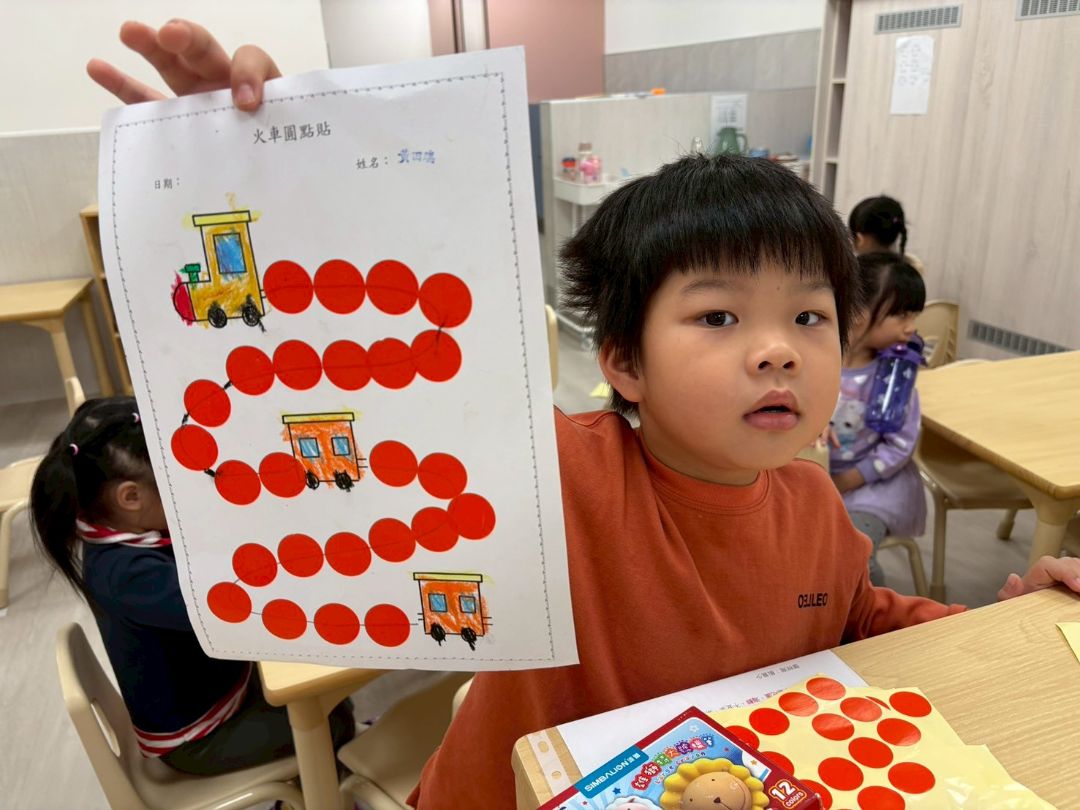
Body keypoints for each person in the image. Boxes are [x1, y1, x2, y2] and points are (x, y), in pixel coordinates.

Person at [87, 22, 1080, 807]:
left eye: (809, 317)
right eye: (719, 316)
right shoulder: (549, 474)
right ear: (622, 363)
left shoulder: (814, 505)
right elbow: (356, 414)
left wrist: (1007, 624)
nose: (777, 349)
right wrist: (246, 181)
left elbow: (860, 620)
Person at [30, 396, 355, 775]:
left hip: (226, 685)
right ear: (131, 496)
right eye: (175, 484)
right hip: (200, 739)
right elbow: (231, 610)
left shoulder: (121, 526)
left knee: (320, 691)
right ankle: (326, 790)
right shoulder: (128, 575)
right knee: (332, 718)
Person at [828, 253, 927, 586]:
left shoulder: (893, 376)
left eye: (914, 316)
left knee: (854, 553)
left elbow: (899, 446)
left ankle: (871, 613)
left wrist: (847, 480)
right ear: (857, 311)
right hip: (813, 480)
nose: (911, 327)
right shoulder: (819, 359)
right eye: (900, 315)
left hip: (871, 489)